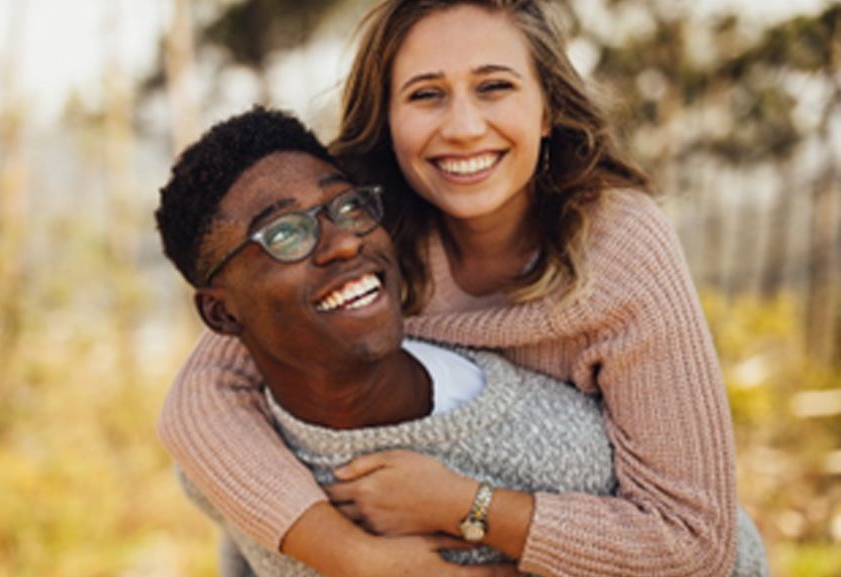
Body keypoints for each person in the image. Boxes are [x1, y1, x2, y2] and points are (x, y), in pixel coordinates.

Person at [159, 2, 759, 576]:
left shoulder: (619, 244)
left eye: (494, 86)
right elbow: (201, 400)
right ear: (389, 121)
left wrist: (466, 506)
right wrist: (350, 556)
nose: (465, 128)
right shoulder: (361, 228)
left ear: (547, 109)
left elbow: (693, 541)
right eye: (426, 95)